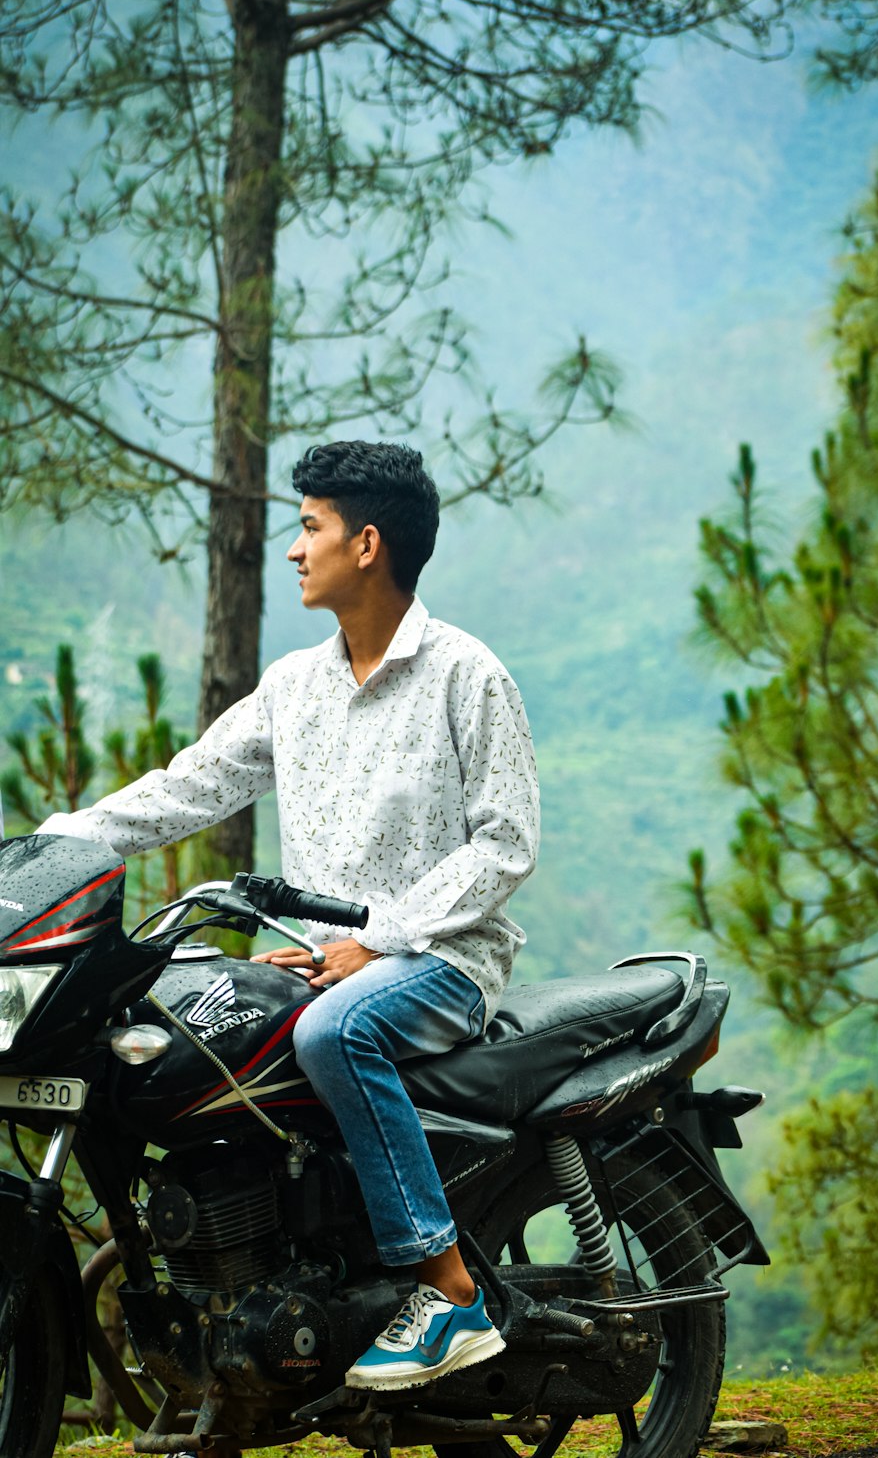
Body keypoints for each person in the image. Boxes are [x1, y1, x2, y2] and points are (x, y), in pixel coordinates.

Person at [37, 439, 540, 1391]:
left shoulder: (468, 677)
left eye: (311, 526)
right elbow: (189, 787)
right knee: (182, 1031)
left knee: (335, 1032)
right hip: (320, 957)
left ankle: (448, 1288)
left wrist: (381, 938)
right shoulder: (295, 689)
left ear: (367, 543)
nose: (295, 548)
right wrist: (59, 845)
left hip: (441, 959)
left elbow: (503, 847)